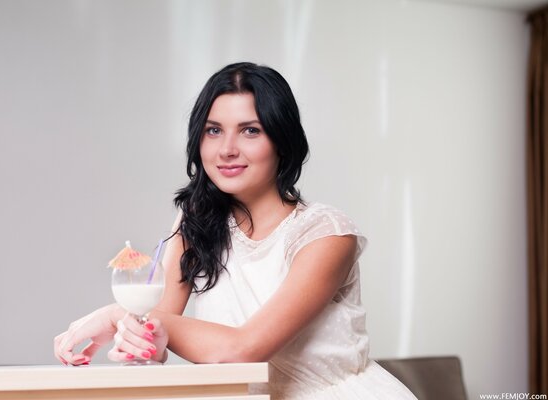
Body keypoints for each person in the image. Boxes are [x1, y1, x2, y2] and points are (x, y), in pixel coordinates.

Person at [54, 62, 417, 399]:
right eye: (214, 130)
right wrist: (138, 339)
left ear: (282, 141)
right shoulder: (194, 222)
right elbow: (160, 328)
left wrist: (119, 315)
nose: (227, 149)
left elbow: (246, 350)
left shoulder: (327, 234)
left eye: (250, 131)